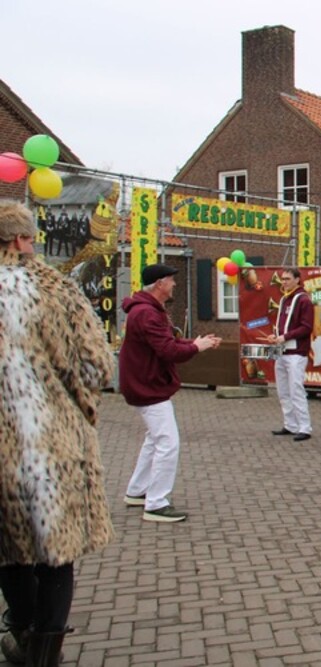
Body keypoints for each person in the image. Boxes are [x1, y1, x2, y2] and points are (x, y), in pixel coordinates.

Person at [0, 200, 115, 663]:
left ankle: (21, 632)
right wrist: (80, 409)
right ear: (21, 239)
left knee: (9, 546)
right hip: (52, 442)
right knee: (56, 550)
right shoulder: (57, 290)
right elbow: (96, 365)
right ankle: (44, 653)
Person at [120, 263, 222, 523]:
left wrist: (197, 343)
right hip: (148, 386)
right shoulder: (148, 313)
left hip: (143, 383)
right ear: (159, 284)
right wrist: (196, 347)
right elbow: (168, 351)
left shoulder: (145, 310)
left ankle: (137, 491)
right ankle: (156, 504)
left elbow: (167, 343)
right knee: (168, 443)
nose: (174, 284)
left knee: (154, 439)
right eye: (170, 280)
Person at [267, 268, 314, 442]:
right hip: (282, 351)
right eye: (283, 279)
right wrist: (275, 336)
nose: (284, 282)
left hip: (296, 353)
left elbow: (306, 327)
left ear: (297, 280)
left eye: (287, 279)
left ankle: (305, 427)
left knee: (296, 390)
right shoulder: (284, 299)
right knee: (283, 391)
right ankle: (290, 424)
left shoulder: (304, 300)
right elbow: (282, 325)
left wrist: (285, 337)